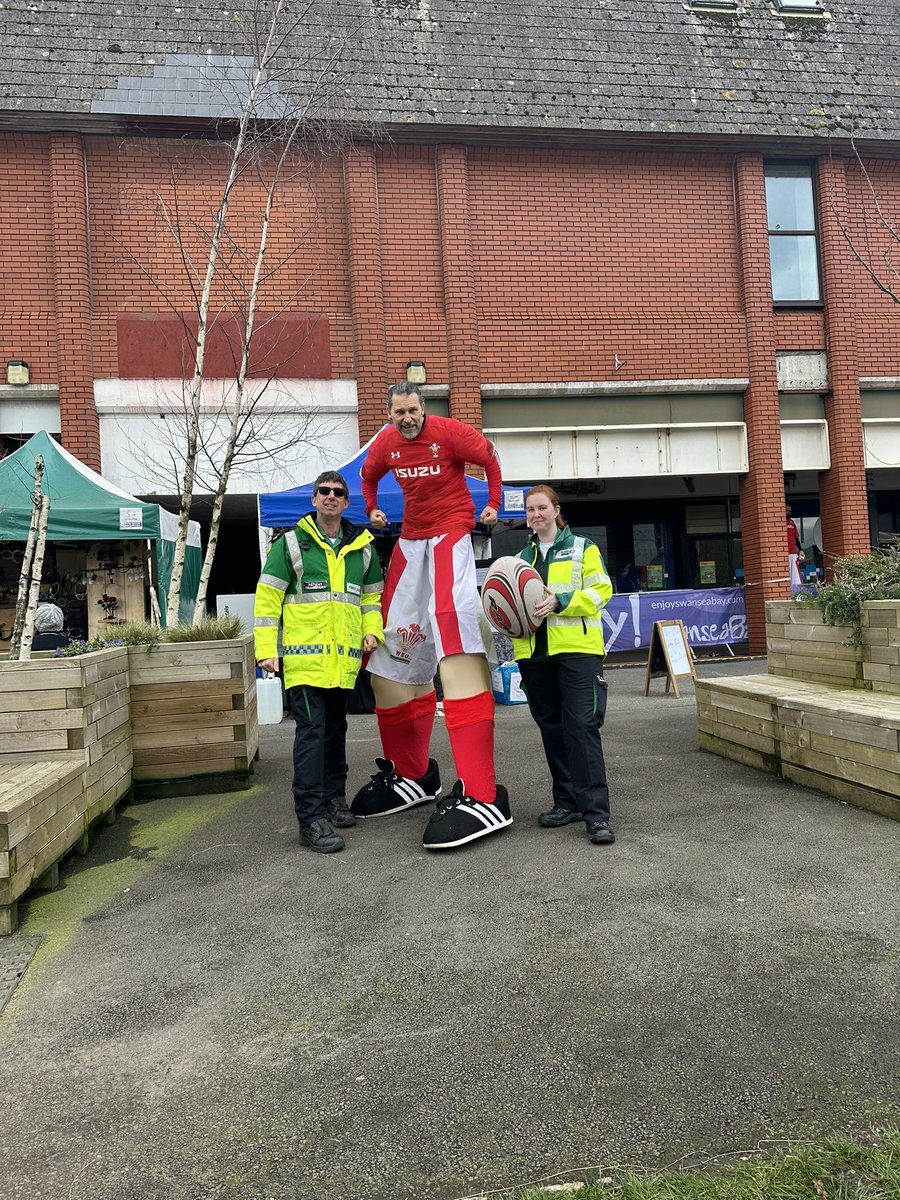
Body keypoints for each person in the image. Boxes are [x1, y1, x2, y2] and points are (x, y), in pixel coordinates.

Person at [352, 380, 510, 851]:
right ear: (391, 414)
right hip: (411, 539)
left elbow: (491, 460)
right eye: (399, 411)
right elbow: (367, 475)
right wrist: (373, 507)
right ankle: (413, 773)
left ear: (424, 408)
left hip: (451, 533)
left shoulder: (450, 432)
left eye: (413, 410)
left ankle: (483, 792)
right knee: (391, 649)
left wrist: (493, 505)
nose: (407, 418)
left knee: (454, 637)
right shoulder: (385, 442)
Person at [253, 470, 384, 854]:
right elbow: (266, 602)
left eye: (338, 493)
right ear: (313, 500)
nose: (330, 497)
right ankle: (310, 818)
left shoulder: (363, 548)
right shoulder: (292, 545)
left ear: (346, 503)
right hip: (304, 663)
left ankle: (333, 798)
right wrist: (265, 650)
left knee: (335, 730)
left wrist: (372, 630)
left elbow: (372, 600)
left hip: (344, 663)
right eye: (323, 492)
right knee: (311, 734)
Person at [511, 485, 616, 846]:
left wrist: (562, 600)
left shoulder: (583, 548)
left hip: (576, 651)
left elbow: (602, 591)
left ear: (556, 510)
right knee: (552, 730)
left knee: (581, 728)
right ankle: (567, 801)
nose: (535, 514)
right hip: (534, 654)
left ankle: (596, 814)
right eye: (529, 509)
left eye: (541, 508)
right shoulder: (521, 557)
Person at [786, 504, 805, 592]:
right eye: (786, 511)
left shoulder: (791, 522)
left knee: (795, 578)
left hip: (793, 553)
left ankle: (797, 593)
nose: (788, 513)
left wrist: (800, 549)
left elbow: (796, 538)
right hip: (783, 554)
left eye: (789, 511)